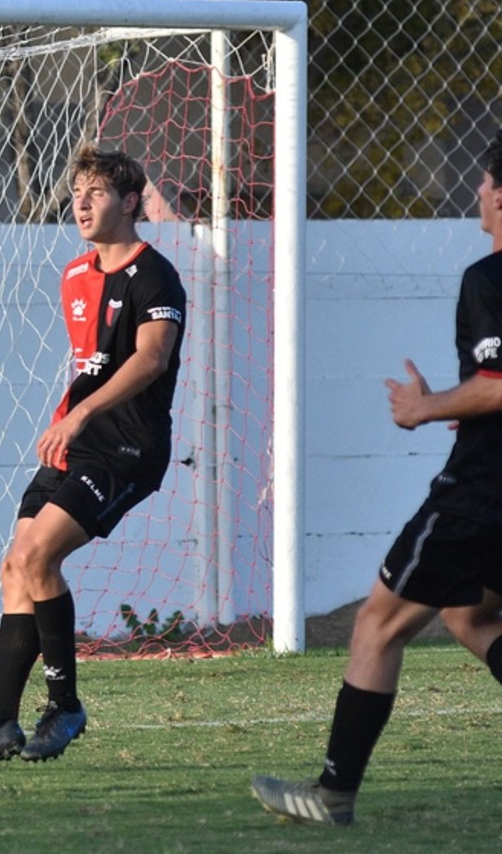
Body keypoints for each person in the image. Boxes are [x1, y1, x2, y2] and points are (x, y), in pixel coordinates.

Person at [251, 129, 502, 826]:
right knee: (469, 613)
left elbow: (498, 381)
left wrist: (428, 407)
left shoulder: (488, 278)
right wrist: (466, 405)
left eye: (484, 180)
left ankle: (331, 792)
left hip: (480, 495)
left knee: (375, 624)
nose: (476, 193)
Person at [0, 144, 186, 772]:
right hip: (75, 441)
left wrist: (81, 415)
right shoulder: (75, 276)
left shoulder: (156, 276)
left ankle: (66, 707)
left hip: (127, 447)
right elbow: (87, 367)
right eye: (76, 190)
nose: (80, 201)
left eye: (97, 191)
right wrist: (67, 421)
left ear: (130, 202)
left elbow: (150, 358)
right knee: (14, 568)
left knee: (36, 556)